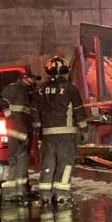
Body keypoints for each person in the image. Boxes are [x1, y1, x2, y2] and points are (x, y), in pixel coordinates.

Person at [36, 56, 88, 205]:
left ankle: (45, 195)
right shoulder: (70, 89)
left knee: (48, 164)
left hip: (47, 136)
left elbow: (36, 112)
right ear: (66, 72)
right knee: (65, 165)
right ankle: (61, 194)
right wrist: (84, 130)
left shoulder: (40, 90)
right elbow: (78, 111)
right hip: (66, 135)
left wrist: (38, 131)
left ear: (48, 72)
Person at [1, 68, 39, 203]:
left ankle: (9, 192)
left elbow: (2, 105)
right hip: (22, 131)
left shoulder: (6, 90)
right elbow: (33, 112)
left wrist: (7, 116)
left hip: (8, 130)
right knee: (22, 159)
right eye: (31, 79)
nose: (33, 82)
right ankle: (21, 190)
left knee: (11, 160)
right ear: (22, 78)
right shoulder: (27, 92)